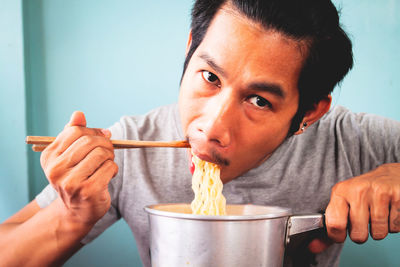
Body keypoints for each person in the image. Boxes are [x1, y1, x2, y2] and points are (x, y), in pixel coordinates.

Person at [1, 0, 399, 266]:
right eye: (210, 77)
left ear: (310, 111)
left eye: (259, 100)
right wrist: (71, 216)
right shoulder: (129, 148)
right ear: (190, 47)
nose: (212, 128)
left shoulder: (350, 141)